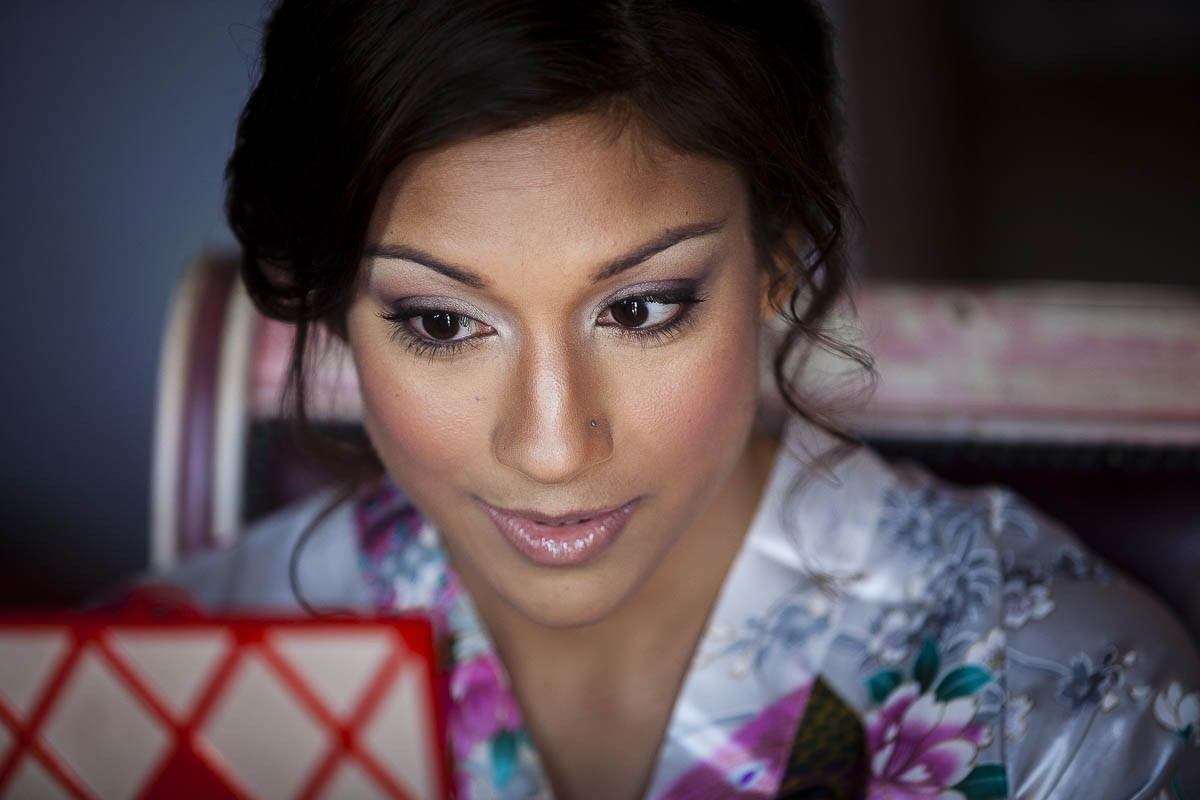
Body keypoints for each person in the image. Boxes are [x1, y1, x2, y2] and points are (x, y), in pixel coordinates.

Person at [163, 0, 1200, 797]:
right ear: (340, 304)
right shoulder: (171, 680)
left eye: (645, 307)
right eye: (441, 323)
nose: (556, 443)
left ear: (779, 266)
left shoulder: (1065, 709)